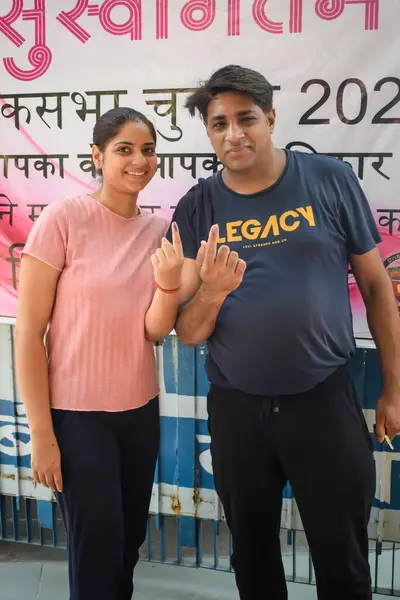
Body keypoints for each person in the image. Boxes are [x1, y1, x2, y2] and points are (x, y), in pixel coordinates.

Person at [161, 65, 400, 599]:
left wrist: (394, 388)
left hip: (322, 401)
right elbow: (189, 332)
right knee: (252, 554)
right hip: (237, 409)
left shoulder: (329, 179)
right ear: (209, 133)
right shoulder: (198, 207)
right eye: (219, 123)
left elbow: (379, 290)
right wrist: (215, 292)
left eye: (246, 118)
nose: (234, 134)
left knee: (342, 555)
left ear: (270, 118)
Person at [15, 107, 184, 600]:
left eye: (148, 150)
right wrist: (42, 436)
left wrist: (171, 287)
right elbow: (28, 334)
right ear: (98, 156)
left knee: (129, 543)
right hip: (77, 417)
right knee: (97, 551)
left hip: (139, 413)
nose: (139, 161)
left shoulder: (159, 233)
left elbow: (154, 331)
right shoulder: (63, 218)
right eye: (124, 149)